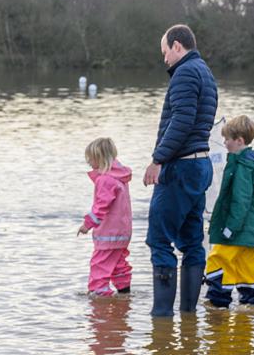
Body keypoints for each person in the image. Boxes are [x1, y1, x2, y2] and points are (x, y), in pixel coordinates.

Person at [143, 24, 218, 317]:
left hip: (181, 166)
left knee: (159, 239)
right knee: (191, 241)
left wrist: (158, 159)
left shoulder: (185, 73)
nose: (164, 60)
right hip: (201, 165)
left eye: (165, 53)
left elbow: (182, 121)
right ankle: (189, 317)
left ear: (177, 45)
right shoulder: (205, 72)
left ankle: (161, 318)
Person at [204, 115, 254, 308]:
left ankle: (218, 302)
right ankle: (251, 306)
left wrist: (230, 228)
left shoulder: (242, 165)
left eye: (227, 139)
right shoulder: (252, 163)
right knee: (246, 267)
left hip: (236, 229)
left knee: (217, 259)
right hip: (250, 231)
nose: (224, 143)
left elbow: (241, 200)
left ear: (239, 141)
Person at [77, 137, 132, 296]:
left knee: (99, 265)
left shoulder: (105, 180)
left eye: (90, 158)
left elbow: (101, 206)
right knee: (118, 264)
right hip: (122, 232)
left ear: (99, 158)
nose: (88, 161)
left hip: (108, 234)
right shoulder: (119, 177)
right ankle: (124, 293)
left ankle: (99, 298)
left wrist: (87, 225)